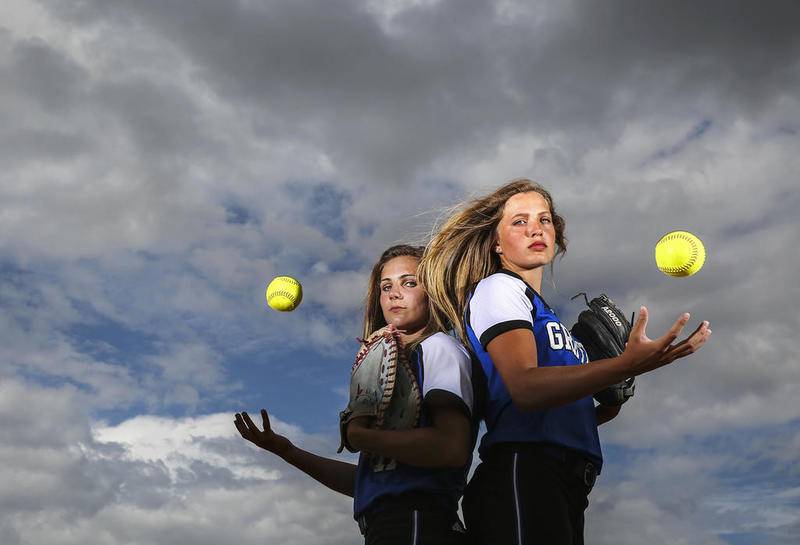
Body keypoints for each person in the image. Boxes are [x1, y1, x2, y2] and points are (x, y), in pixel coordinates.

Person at [417, 179, 712, 545]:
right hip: (523, 473)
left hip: (566, 483)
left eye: (544, 220)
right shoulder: (499, 289)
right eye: (519, 221)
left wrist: (612, 396)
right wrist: (627, 365)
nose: (536, 229)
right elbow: (524, 389)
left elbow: (567, 414)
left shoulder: (547, 317)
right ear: (495, 241)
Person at [235, 244, 478, 544]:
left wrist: (362, 437)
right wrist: (288, 452)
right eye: (385, 286)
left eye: (409, 282)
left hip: (419, 521)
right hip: (390, 524)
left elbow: (451, 447)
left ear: (434, 291)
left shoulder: (439, 348)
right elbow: (368, 484)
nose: (394, 293)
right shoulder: (393, 362)